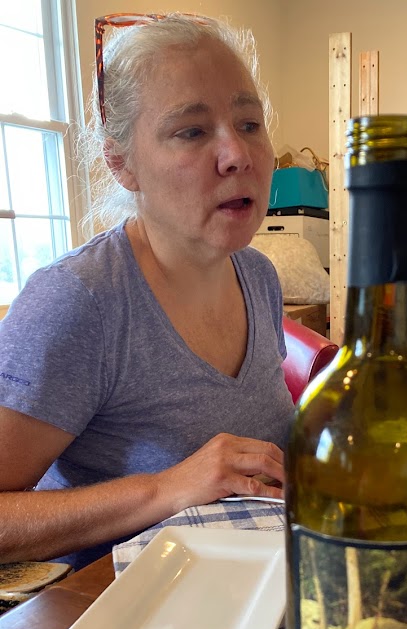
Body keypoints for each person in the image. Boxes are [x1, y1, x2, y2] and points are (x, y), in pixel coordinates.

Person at [0, 13, 295, 570]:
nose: (238, 155)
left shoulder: (257, 274)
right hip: (119, 620)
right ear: (122, 164)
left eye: (250, 123)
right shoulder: (78, 302)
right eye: (192, 131)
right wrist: (166, 488)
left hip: (256, 592)